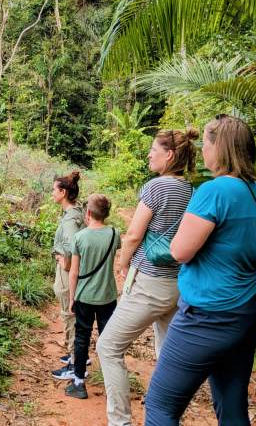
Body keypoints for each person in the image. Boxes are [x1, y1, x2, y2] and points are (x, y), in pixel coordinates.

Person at [145, 115, 256, 425]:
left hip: (209, 314)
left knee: (160, 406)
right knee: (231, 403)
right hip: (248, 309)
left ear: (221, 148)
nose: (202, 150)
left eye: (207, 143)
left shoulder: (214, 191)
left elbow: (180, 251)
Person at [97, 128, 198, 425]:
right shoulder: (190, 191)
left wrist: (123, 265)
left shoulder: (156, 187)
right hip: (177, 283)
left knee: (108, 346)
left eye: (154, 150)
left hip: (150, 282)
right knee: (167, 358)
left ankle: (120, 422)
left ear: (169, 155)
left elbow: (133, 235)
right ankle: (166, 418)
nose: (149, 154)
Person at [65, 193, 121, 400]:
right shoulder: (115, 234)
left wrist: (72, 298)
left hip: (84, 296)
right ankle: (112, 383)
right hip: (108, 296)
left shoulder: (80, 237)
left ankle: (79, 382)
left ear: (88, 213)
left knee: (82, 337)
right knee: (108, 338)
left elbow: (74, 272)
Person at [50, 171, 85, 381]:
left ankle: (75, 362)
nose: (52, 193)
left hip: (67, 273)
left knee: (69, 313)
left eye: (54, 190)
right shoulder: (76, 211)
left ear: (63, 192)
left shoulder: (71, 219)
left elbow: (74, 245)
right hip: (69, 270)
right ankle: (77, 355)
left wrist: (67, 262)